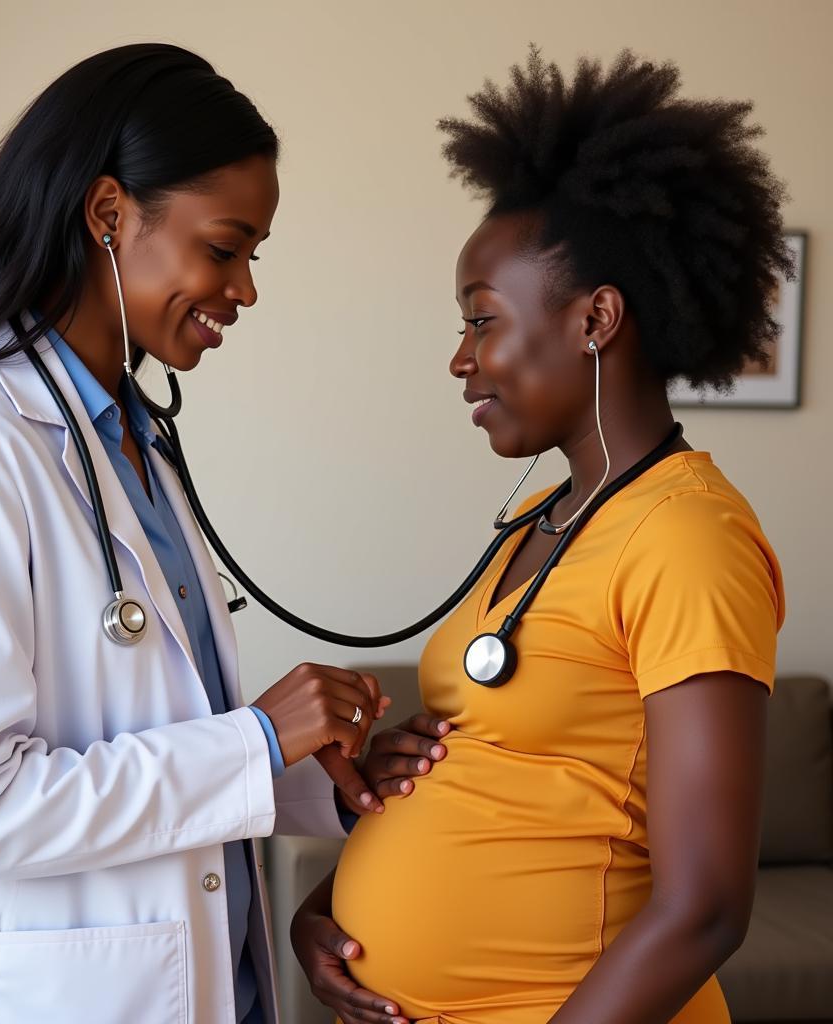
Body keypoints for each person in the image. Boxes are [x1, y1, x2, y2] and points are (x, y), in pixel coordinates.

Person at [0, 43, 441, 1023]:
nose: (244, 289)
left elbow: (143, 753)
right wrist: (260, 736)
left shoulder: (126, 437)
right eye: (224, 247)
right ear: (109, 213)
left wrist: (326, 786)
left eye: (252, 256)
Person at [292, 48, 789, 1024]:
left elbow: (705, 907)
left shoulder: (688, 537)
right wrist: (324, 915)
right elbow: (487, 775)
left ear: (595, 319)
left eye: (481, 321)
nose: (459, 359)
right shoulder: (541, 517)